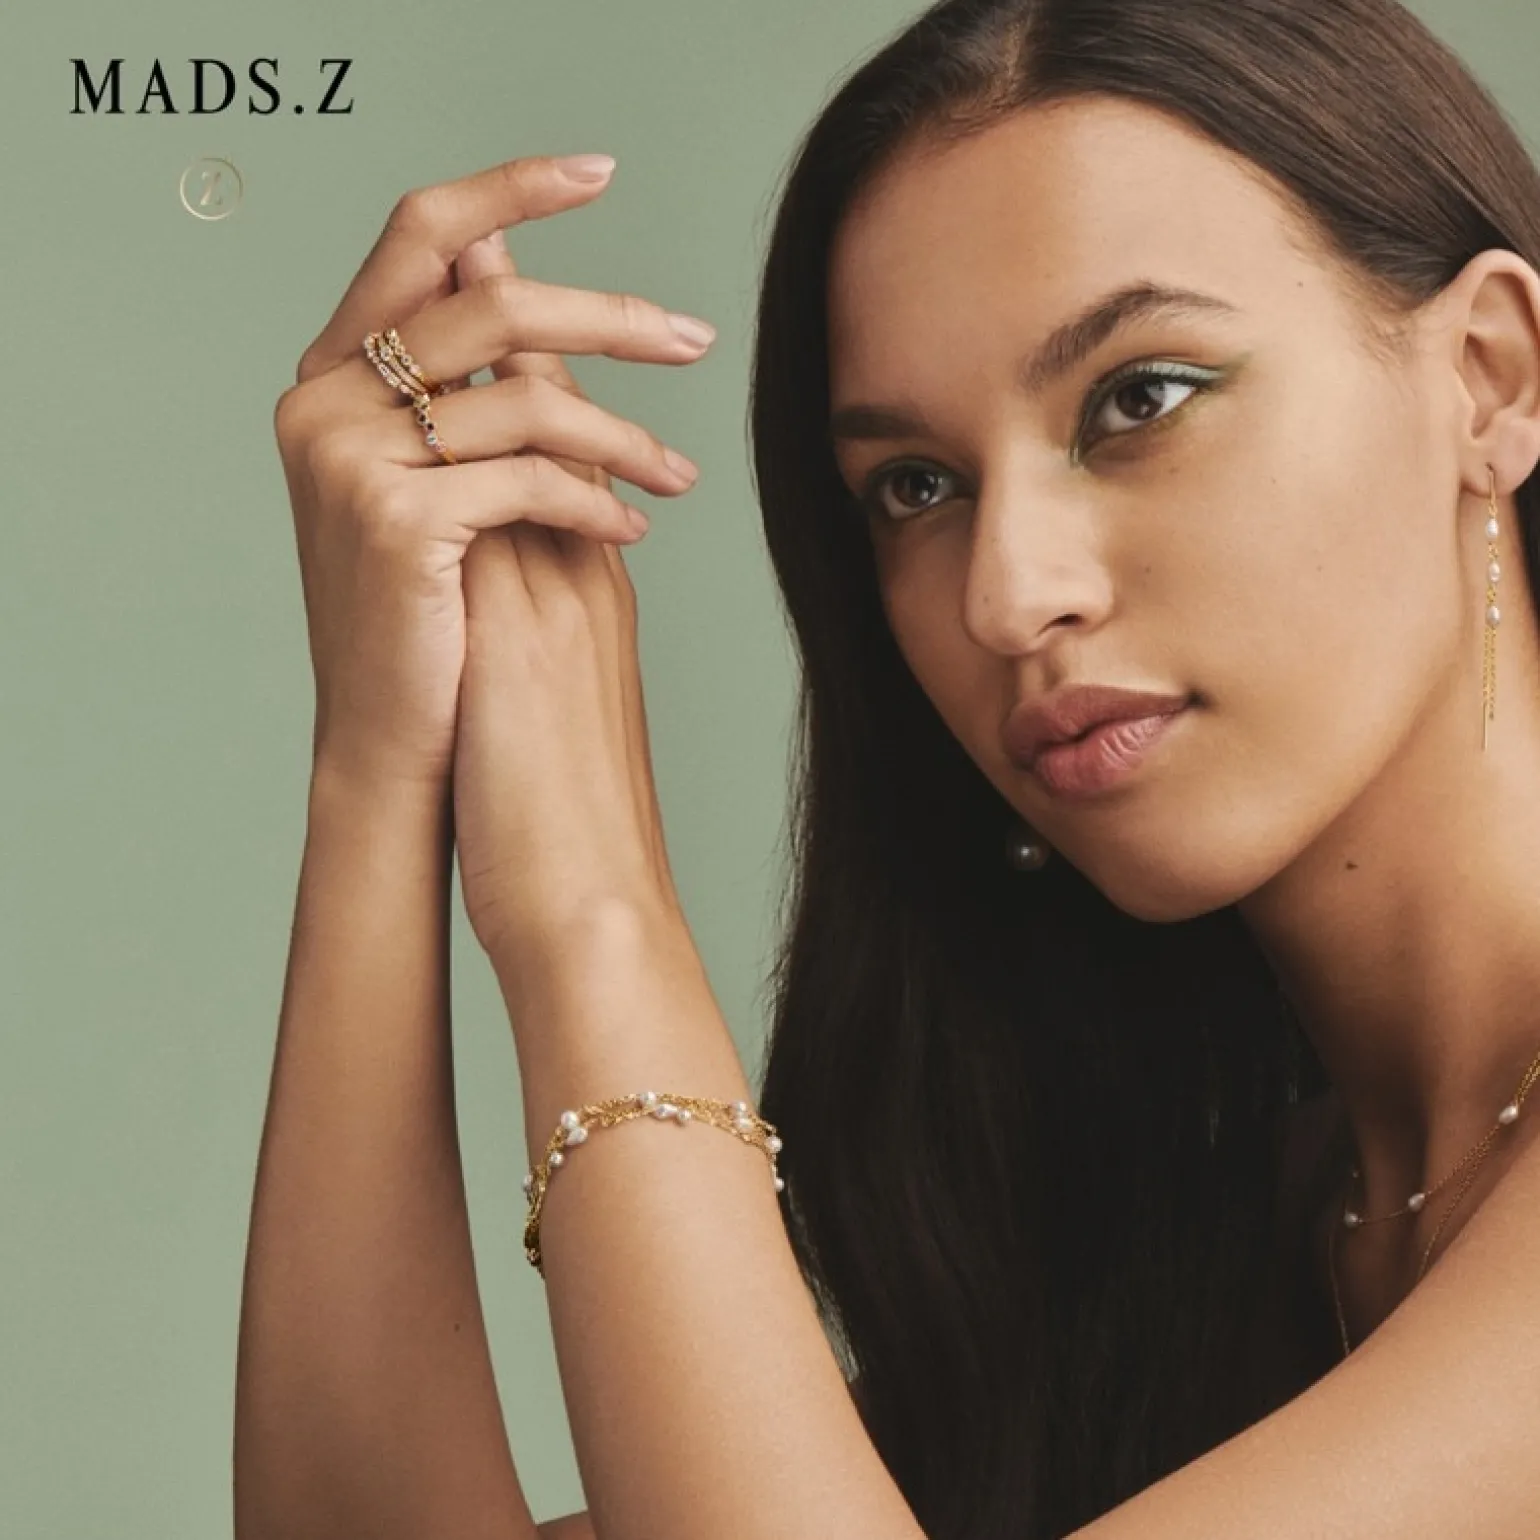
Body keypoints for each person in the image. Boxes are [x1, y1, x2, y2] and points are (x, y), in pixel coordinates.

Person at [234, 0, 1540, 1537]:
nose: (1007, 596)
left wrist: (592, 908)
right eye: (916, 486)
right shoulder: (1200, 1248)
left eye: (1139, 398)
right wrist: (385, 758)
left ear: (1488, 380)